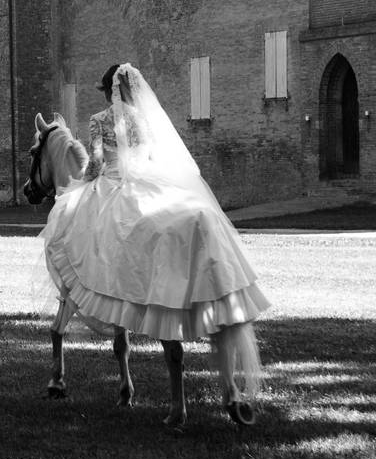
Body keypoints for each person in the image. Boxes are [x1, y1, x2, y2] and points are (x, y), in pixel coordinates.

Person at [42, 62, 269, 342]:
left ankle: (108, 290)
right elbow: (152, 157)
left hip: (112, 182)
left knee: (77, 224)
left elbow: (97, 163)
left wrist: (84, 182)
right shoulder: (144, 119)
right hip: (145, 182)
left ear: (108, 91)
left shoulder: (99, 119)